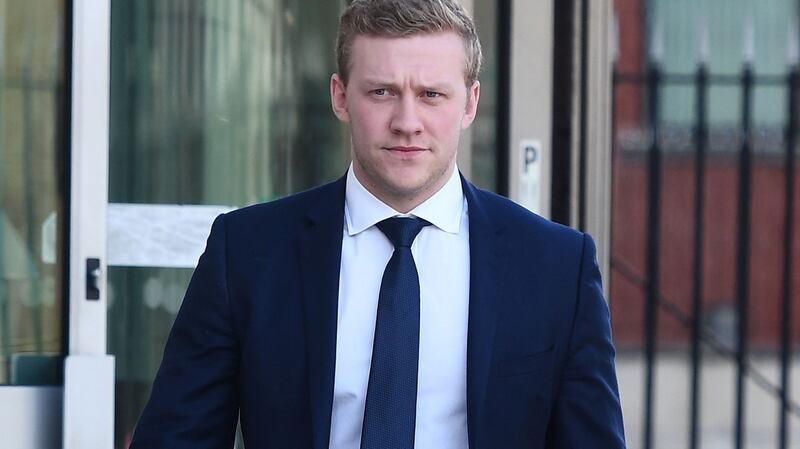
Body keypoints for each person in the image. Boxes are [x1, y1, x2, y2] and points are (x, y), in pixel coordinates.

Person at [130, 0, 626, 448]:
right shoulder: (246, 252)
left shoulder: (557, 267)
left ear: (470, 103)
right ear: (341, 97)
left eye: (431, 94)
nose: (407, 121)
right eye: (383, 91)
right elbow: (177, 437)